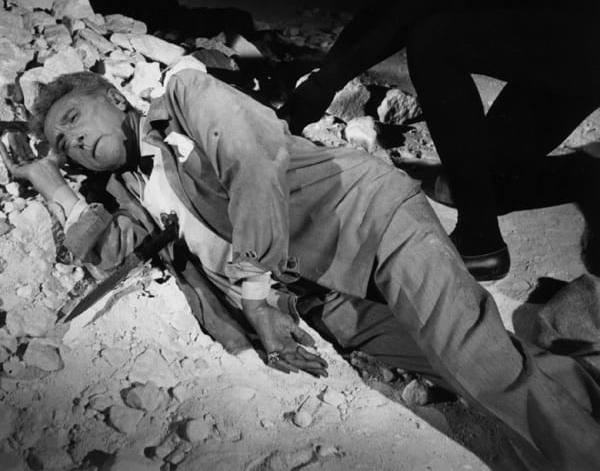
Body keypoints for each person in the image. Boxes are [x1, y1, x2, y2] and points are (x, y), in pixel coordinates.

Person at [2, 59, 600, 470]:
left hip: (370, 220)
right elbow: (116, 251)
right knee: (453, 362)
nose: (73, 143)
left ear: (112, 98)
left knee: (478, 362)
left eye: (74, 121)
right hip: (322, 286)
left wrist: (256, 299)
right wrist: (56, 187)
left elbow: (251, 165)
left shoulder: (188, 96)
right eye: (62, 145)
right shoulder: (134, 187)